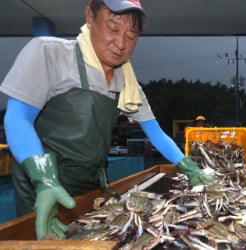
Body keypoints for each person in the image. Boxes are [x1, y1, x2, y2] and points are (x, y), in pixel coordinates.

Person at [0, 0, 212, 240]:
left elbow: (156, 133)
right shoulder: (50, 53)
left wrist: (189, 167)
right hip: (42, 185)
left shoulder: (127, 84)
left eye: (131, 36)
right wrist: (44, 179)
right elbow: (17, 118)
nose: (121, 44)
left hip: (89, 183)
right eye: (112, 29)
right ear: (90, 18)